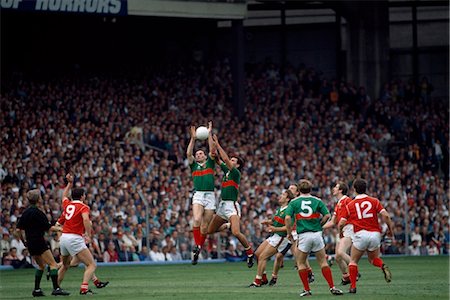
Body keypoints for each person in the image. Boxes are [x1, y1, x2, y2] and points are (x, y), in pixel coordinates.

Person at [285, 179, 343, 297]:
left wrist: (289, 232)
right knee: (323, 262)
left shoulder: (294, 202)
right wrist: (319, 225)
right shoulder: (317, 200)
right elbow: (327, 215)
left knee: (300, 263)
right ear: (310, 189)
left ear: (299, 190)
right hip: (316, 234)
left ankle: (307, 290)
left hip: (303, 235)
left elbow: (287, 218)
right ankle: (332, 287)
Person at [338, 178, 394, 294]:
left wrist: (340, 232)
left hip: (360, 234)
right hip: (375, 234)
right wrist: (390, 230)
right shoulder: (374, 201)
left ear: (354, 189)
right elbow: (386, 216)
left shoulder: (351, 204)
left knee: (353, 261)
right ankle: (382, 265)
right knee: (373, 259)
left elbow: (341, 222)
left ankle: (353, 287)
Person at [207, 134, 254, 268]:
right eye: (231, 159)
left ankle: (249, 253)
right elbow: (217, 160)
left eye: (234, 160)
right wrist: (212, 145)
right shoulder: (227, 172)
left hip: (232, 205)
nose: (231, 161)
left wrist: (218, 143)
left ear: (237, 165)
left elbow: (225, 159)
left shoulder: (235, 173)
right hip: (222, 205)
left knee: (236, 232)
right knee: (210, 230)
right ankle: (227, 225)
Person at [16, 189, 70, 297]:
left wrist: (24, 241)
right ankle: (56, 288)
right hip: (39, 241)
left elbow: (18, 230)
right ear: (38, 199)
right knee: (53, 264)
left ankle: (36, 290)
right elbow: (49, 228)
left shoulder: (25, 213)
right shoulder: (39, 213)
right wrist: (62, 229)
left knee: (41, 265)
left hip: (30, 242)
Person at [57, 174, 98, 295]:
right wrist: (88, 234)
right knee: (91, 264)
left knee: (65, 265)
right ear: (82, 196)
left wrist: (69, 184)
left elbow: (64, 196)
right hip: (74, 237)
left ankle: (56, 287)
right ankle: (84, 288)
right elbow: (86, 220)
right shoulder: (83, 207)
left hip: (64, 237)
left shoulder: (67, 204)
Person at [270, 183, 315, 286]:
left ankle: (309, 273)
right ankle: (274, 277)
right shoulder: (290, 203)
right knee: (281, 256)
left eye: (292, 189)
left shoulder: (297, 202)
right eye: (289, 188)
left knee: (296, 255)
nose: (289, 190)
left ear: (297, 192)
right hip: (288, 232)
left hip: (294, 232)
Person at [249, 189, 295, 287]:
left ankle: (257, 281)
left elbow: (289, 227)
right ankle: (264, 278)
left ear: (287, 199)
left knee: (263, 257)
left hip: (281, 237)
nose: (280, 196)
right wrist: (268, 222)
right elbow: (274, 220)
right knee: (257, 254)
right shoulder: (280, 209)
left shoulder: (289, 210)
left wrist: (275, 228)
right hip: (275, 235)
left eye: (283, 195)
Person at [187, 122, 216, 265]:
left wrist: (209, 134)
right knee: (197, 219)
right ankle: (197, 246)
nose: (197, 155)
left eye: (200, 154)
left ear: (205, 156)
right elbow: (188, 153)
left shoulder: (210, 163)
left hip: (210, 196)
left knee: (205, 226)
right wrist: (193, 139)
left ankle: (198, 247)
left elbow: (212, 150)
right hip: (198, 194)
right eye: (197, 154)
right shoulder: (193, 165)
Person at [323, 181, 359, 284]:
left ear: (341, 190)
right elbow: (333, 222)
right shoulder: (339, 202)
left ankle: (355, 270)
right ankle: (346, 277)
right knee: (338, 257)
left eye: (336, 187)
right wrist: (319, 227)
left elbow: (351, 216)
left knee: (340, 253)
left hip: (348, 228)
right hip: (342, 228)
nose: (333, 189)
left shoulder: (347, 200)